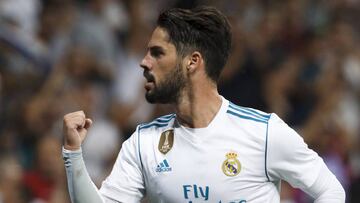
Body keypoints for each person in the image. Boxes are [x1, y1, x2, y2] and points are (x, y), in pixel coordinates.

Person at [62, 6, 345, 203]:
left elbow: (331, 191)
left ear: (192, 62)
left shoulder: (264, 132)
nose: (144, 62)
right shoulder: (142, 143)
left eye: (157, 53)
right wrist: (73, 153)